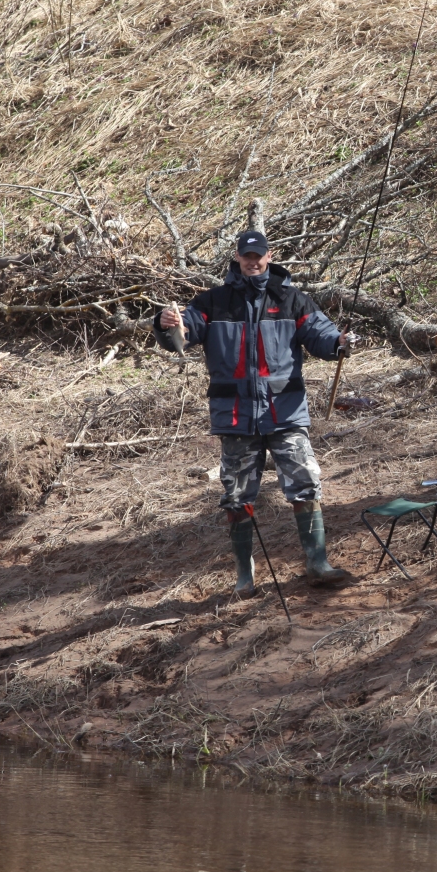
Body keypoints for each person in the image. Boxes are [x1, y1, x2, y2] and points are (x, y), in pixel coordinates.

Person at [154, 230, 351, 597]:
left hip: (286, 414)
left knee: (305, 482)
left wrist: (339, 344)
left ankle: (317, 563)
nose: (253, 261)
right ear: (238, 258)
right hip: (235, 417)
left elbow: (323, 337)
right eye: (247, 256)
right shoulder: (213, 302)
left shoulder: (292, 300)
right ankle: (245, 576)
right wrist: (167, 325)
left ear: (269, 255)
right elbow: (184, 334)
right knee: (237, 495)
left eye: (258, 255)